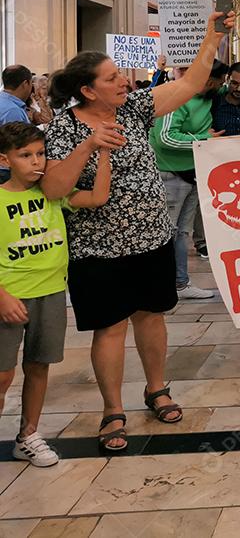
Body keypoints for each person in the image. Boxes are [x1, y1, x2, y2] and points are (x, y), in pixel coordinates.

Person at [42, 10, 234, 452]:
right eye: (112, 78)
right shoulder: (63, 129)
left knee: (152, 316)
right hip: (98, 247)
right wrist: (91, 144)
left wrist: (212, 38)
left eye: (120, 74)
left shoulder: (134, 109)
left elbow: (187, 85)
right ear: (88, 90)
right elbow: (55, 187)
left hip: (150, 237)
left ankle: (156, 387)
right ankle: (112, 408)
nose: (123, 81)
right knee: (109, 327)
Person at [0, 122, 111, 466]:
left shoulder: (52, 192)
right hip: (10, 296)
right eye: (25, 156)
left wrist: (102, 152)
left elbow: (97, 197)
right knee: (2, 375)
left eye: (40, 154)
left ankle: (28, 435)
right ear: (4, 159)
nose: (36, 162)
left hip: (49, 293)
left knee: (38, 366)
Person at [150, 59, 229, 301]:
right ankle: (159, 285)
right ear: (207, 80)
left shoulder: (208, 94)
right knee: (166, 233)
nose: (222, 87)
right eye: (218, 82)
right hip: (171, 174)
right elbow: (165, 138)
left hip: (192, 172)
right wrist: (203, 139)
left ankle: (180, 283)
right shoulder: (176, 97)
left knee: (181, 233)